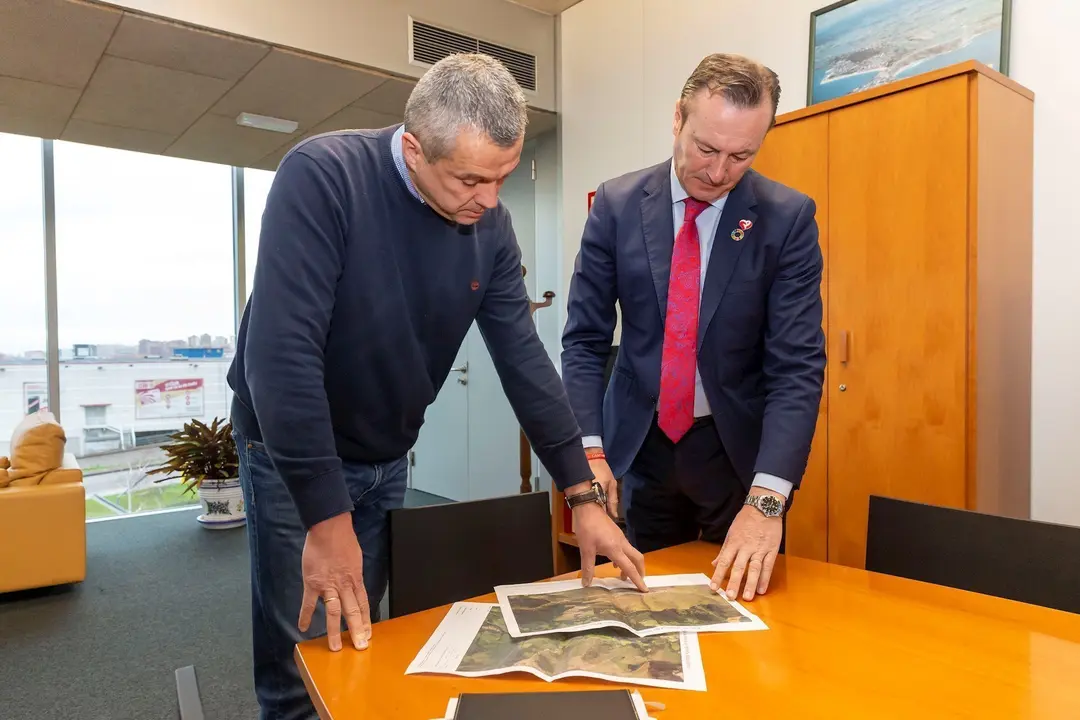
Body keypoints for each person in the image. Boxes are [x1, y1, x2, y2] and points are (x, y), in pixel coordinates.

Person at [228, 53, 646, 720]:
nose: (490, 199)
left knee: (361, 634)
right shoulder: (324, 177)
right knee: (303, 659)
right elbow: (281, 361)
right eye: (471, 179)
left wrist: (582, 493)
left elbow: (525, 361)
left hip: (386, 449)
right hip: (293, 452)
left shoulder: (489, 226)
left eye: (502, 177)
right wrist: (326, 517)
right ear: (414, 150)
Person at [561, 53, 825, 604]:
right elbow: (585, 341)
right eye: (706, 148)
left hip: (738, 457)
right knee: (650, 607)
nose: (719, 172)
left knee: (750, 613)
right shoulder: (616, 205)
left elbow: (796, 368)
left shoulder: (787, 220)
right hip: (642, 449)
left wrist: (769, 501)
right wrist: (590, 452)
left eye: (741, 156)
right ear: (678, 118)